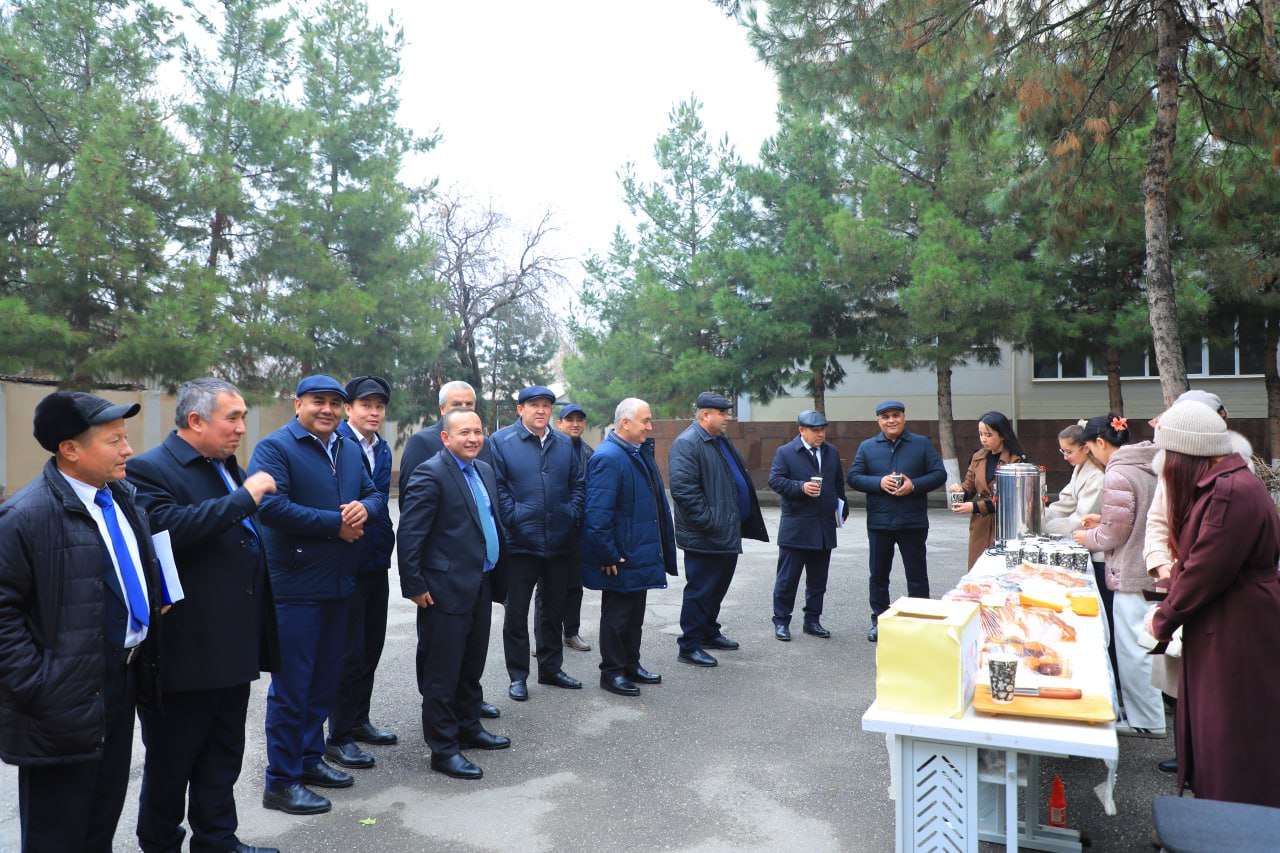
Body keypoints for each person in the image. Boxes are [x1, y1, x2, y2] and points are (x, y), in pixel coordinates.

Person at [0, 392, 162, 853]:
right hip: (60, 697)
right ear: (70, 449)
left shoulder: (121, 498)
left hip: (120, 681)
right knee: (57, 832)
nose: (128, 450)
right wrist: (39, 686)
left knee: (100, 819)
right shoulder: (25, 516)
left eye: (125, 438)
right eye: (114, 441)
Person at [126, 379, 280, 853]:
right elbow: (167, 528)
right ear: (195, 420)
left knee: (223, 753)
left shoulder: (224, 465)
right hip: (185, 650)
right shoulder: (149, 469)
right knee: (173, 760)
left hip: (232, 643)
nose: (241, 428)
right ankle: (159, 842)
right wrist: (245, 498)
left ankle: (217, 840)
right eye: (232, 418)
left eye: (242, 417)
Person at [249, 375, 383, 815]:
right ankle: (281, 781)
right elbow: (269, 507)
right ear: (298, 404)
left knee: (324, 681)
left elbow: (374, 493)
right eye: (317, 401)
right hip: (295, 587)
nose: (326, 409)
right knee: (293, 687)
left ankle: (309, 759)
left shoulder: (346, 447)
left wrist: (365, 509)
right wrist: (334, 524)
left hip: (339, 584)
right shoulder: (276, 447)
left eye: (334, 403)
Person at [1146, 400, 1280, 807]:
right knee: (1222, 726)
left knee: (1231, 730)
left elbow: (1207, 569)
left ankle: (1230, 820)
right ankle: (1217, 811)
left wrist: (1163, 619)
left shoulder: (1228, 492)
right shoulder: (1229, 483)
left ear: (1187, 452)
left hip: (1237, 626)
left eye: (1169, 454)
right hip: (1231, 618)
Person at [398, 408, 511, 780]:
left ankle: (469, 726)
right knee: (442, 672)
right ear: (445, 437)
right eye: (464, 432)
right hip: (443, 589)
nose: (473, 438)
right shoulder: (431, 473)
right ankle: (444, 749)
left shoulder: (484, 470)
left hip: (480, 582)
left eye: (478, 431)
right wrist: (414, 585)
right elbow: (410, 534)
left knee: (471, 665)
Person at [489, 386, 586, 701]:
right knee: (516, 613)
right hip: (519, 542)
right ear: (520, 409)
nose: (541, 410)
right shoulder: (501, 442)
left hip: (558, 540)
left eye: (546, 405)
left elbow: (577, 483)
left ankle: (551, 669)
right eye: (534, 405)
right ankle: (518, 676)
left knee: (553, 610)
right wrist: (514, 515)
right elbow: (497, 486)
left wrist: (570, 514)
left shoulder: (563, 443)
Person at [1071, 414, 1165, 738]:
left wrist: (1087, 537)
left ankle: (1146, 721)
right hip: (1154, 567)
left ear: (1100, 442)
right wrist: (1104, 520)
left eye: (1090, 448)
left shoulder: (1119, 471)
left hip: (1132, 571)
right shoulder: (1149, 463)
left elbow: (1115, 534)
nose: (1092, 456)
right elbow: (1139, 516)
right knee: (1148, 645)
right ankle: (1148, 715)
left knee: (1133, 649)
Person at [581, 398, 676, 696]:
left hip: (638, 552)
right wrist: (607, 553)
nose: (650, 426)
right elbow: (597, 515)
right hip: (621, 556)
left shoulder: (635, 451)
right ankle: (612, 672)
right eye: (645, 420)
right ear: (625, 423)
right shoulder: (609, 457)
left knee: (634, 617)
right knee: (617, 618)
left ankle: (631, 665)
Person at [326, 376, 398, 771]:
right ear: (348, 408)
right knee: (348, 652)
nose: (374, 413)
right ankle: (338, 735)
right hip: (346, 560)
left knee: (371, 646)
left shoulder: (380, 447)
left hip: (375, 561)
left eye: (379, 406)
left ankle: (359, 719)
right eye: (365, 405)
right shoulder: (336, 443)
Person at [668, 392, 769, 667]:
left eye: (727, 412)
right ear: (705, 415)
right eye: (722, 413)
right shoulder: (688, 443)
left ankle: (708, 632)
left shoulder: (719, 440)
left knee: (717, 587)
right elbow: (684, 491)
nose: (727, 418)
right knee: (701, 590)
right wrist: (711, 522)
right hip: (706, 534)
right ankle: (689, 646)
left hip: (726, 531)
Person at [847, 400, 947, 642]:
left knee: (917, 575)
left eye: (896, 415)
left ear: (904, 417)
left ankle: (920, 622)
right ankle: (879, 622)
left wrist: (914, 485)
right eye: (885, 417)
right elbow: (854, 477)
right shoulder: (867, 447)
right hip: (879, 523)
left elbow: (939, 474)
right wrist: (878, 482)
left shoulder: (921, 444)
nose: (891, 420)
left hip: (913, 521)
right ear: (878, 421)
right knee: (878, 575)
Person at [768, 410, 851, 642]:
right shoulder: (786, 452)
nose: (820, 434)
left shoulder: (831, 452)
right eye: (815, 430)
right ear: (801, 430)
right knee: (787, 579)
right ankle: (781, 621)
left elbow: (838, 484)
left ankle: (812, 621)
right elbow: (775, 481)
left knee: (818, 580)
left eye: (823, 430)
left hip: (824, 526)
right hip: (796, 526)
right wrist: (800, 487)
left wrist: (842, 510)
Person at [541, 402, 593, 653]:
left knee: (574, 584)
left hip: (578, 529)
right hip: (549, 527)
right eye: (569, 419)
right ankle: (543, 637)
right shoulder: (547, 448)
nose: (575, 424)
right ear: (559, 423)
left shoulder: (590, 454)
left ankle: (571, 632)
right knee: (546, 587)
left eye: (579, 420)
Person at [949, 411, 1028, 568]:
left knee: (1002, 571)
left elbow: (1010, 499)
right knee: (977, 571)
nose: (983, 439)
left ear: (1002, 435)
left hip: (1006, 525)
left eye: (989, 435)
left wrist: (974, 507)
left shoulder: (1016, 460)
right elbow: (969, 486)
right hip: (980, 526)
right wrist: (959, 492)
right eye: (980, 434)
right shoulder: (978, 456)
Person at [398, 380, 492, 508]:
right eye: (456, 404)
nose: (463, 409)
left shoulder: (483, 444)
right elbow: (409, 502)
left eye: (469, 404)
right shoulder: (421, 442)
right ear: (442, 408)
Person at [1043, 421, 1105, 537]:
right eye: (1063, 451)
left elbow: (1083, 518)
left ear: (1086, 448)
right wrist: (1042, 517)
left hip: (1091, 535)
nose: (1065, 457)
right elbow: (1065, 504)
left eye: (1069, 452)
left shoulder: (1098, 476)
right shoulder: (1080, 466)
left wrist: (1048, 527)